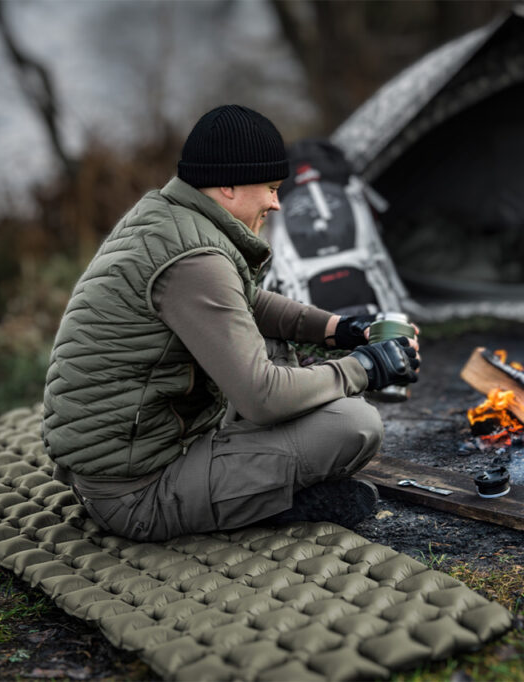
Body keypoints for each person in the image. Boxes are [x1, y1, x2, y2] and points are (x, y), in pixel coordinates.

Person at [42, 104, 420, 542]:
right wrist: (364, 368)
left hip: (131, 455)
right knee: (354, 425)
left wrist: (343, 328)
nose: (277, 203)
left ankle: (256, 488)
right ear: (228, 185)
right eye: (272, 188)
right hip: (136, 494)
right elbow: (262, 398)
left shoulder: (166, 220)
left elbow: (248, 302)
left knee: (276, 348)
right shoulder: (195, 262)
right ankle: (268, 502)